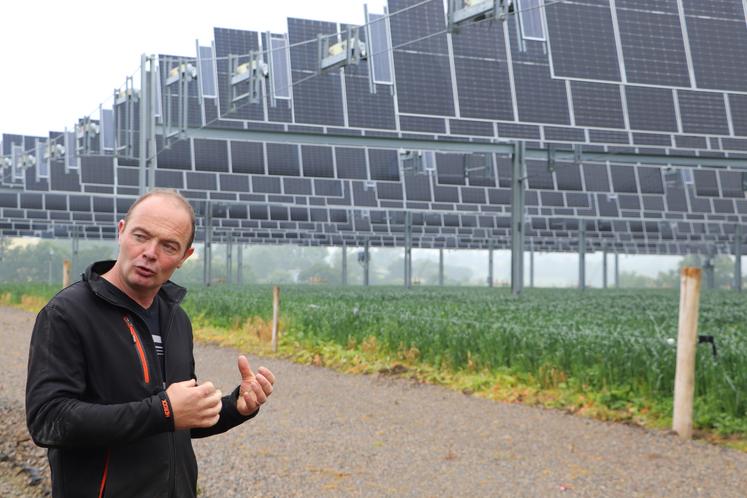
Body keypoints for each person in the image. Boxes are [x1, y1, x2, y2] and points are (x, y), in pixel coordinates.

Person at [25, 189, 275, 497]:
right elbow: (48, 419)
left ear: (185, 257)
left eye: (169, 246)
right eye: (141, 236)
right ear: (121, 231)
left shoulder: (176, 320)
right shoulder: (68, 313)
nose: (150, 252)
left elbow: (177, 421)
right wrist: (164, 411)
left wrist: (235, 408)